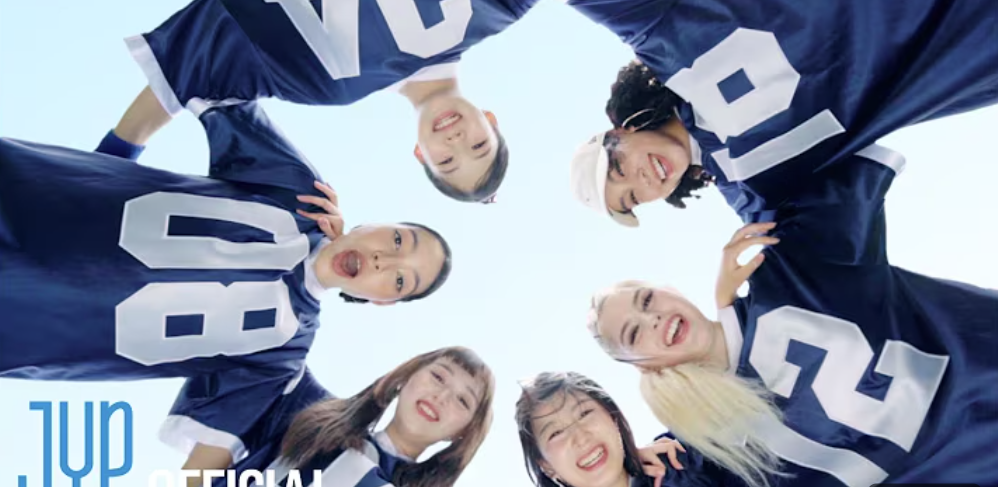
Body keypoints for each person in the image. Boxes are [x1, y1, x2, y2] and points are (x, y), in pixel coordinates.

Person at [585, 145, 998, 486]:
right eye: (634, 334)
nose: (653, 320)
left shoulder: (789, 276)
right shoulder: (704, 448)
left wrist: (692, 143)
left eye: (647, 301)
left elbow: (802, 156)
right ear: (640, 365)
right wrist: (627, 471)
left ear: (670, 290)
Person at [1, 100, 451, 389]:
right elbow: (206, 74)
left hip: (19, 328)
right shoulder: (299, 193)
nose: (384, 259)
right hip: (25, 192)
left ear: (381, 301)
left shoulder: (283, 353)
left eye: (400, 279)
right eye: (397, 239)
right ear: (373, 223)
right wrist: (109, 159)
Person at [568, 0, 997, 225]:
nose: (641, 181)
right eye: (633, 199)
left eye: (618, 168)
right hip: (971, 49)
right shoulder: (756, 195)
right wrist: (730, 316)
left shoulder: (663, 33)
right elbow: (817, 277)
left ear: (620, 132)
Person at [99, 0, 539, 203]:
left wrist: (114, 154)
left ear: (420, 153)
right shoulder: (492, 9)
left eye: (446, 161)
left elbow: (200, 68)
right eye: (478, 145)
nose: (457, 142)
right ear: (490, 119)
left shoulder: (329, 85)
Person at [165, 347, 495, 487]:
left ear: (462, 433)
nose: (441, 396)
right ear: (405, 378)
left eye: (463, 400)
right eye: (438, 376)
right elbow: (268, 349)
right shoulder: (316, 412)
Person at [515, 371, 730, 487]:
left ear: (613, 418)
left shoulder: (682, 461)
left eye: (584, 413)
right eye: (556, 433)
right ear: (545, 466)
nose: (580, 437)